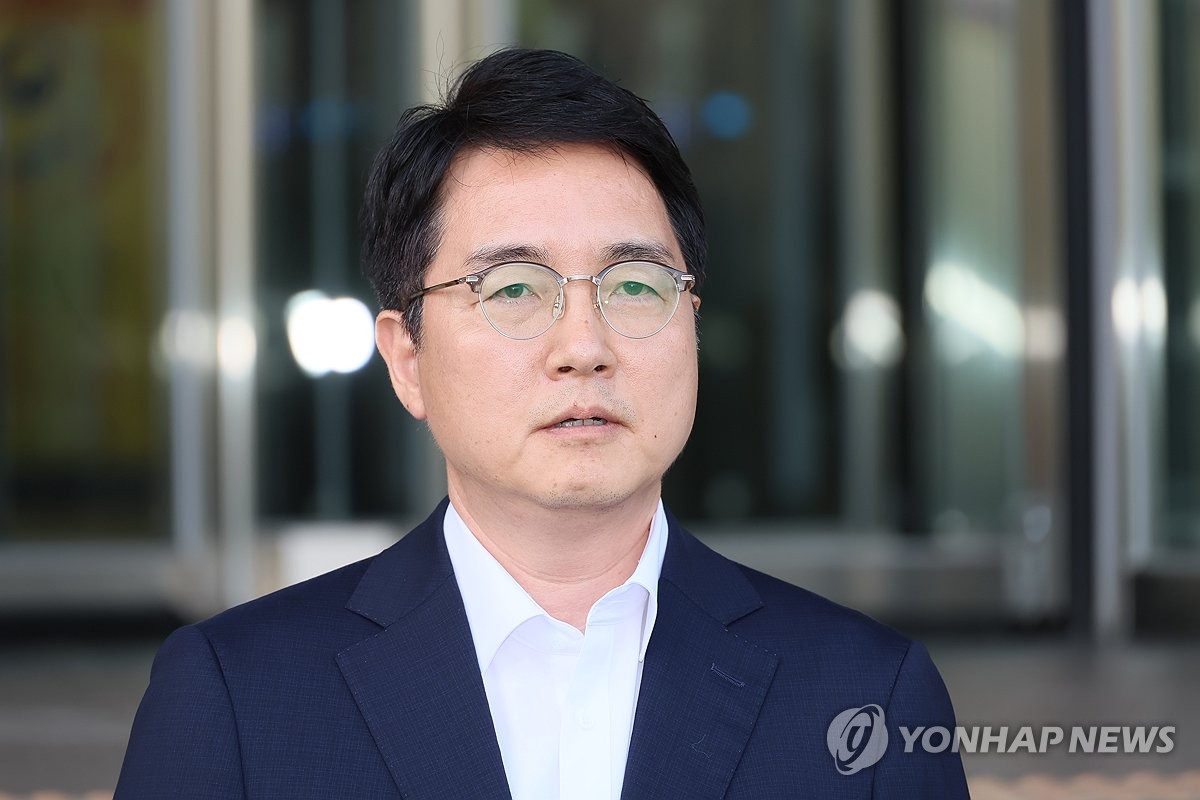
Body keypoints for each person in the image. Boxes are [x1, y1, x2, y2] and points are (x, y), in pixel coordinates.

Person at [116, 47, 969, 799]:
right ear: (407, 357)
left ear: (693, 325)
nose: (583, 347)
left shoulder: (868, 694)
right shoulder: (237, 694)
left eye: (635, 284)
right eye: (515, 288)